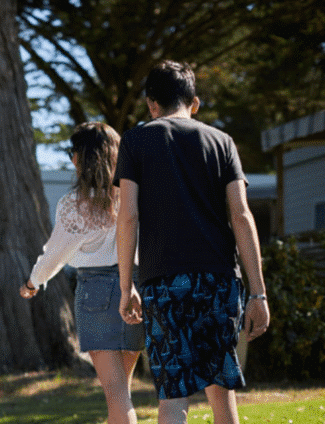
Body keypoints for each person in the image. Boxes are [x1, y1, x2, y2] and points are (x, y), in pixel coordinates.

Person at [115, 60, 270, 424]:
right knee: (221, 393)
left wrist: (126, 287)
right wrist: (258, 293)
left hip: (163, 282)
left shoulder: (135, 141)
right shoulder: (222, 142)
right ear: (194, 102)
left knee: (173, 394)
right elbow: (241, 216)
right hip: (218, 280)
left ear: (151, 104)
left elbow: (128, 217)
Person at [20, 122, 145, 424]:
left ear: (80, 158)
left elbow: (55, 254)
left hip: (97, 294)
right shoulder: (133, 195)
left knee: (116, 394)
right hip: (136, 290)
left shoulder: (74, 205)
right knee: (121, 392)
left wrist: (32, 282)